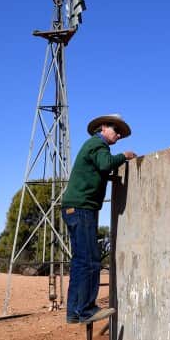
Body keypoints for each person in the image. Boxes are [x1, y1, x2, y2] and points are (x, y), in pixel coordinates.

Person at [61, 113, 136, 323]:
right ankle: (86, 309)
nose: (119, 135)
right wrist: (124, 156)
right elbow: (105, 164)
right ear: (103, 127)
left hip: (75, 208)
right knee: (90, 260)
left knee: (80, 262)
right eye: (116, 130)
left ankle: (74, 312)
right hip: (82, 208)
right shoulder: (98, 145)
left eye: (121, 133)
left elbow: (99, 170)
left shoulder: (94, 147)